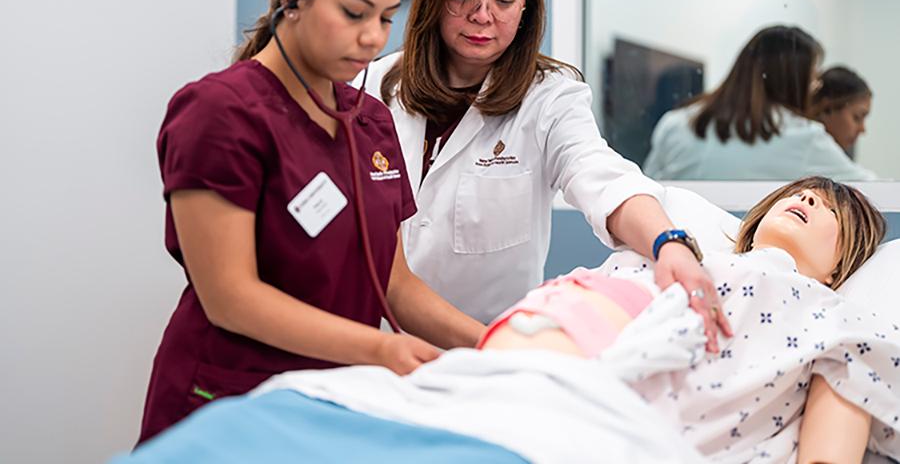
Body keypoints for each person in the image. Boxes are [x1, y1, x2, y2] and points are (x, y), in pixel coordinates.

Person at [114, 178, 899, 464]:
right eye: (802, 189)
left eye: (832, 207)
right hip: (472, 387)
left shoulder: (838, 324)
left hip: (584, 427)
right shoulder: (653, 261)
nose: (811, 197)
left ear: (845, 260)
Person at [137, 0, 482, 444]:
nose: (373, 38)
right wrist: (379, 348)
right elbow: (230, 296)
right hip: (232, 399)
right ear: (290, 1)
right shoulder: (220, 113)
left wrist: (493, 343)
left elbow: (393, 284)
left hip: (335, 399)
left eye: (387, 17)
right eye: (354, 13)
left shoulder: (368, 121)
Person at [359, 0, 729, 350]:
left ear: (525, 9)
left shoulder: (550, 99)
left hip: (491, 352)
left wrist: (669, 243)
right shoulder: (370, 86)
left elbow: (601, 175)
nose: (482, 15)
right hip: (372, 343)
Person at [643, 25, 877, 181]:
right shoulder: (804, 139)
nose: (814, 88)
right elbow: (878, 193)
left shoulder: (675, 124)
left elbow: (644, 192)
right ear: (793, 81)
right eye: (812, 79)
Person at [810, 65, 872, 155]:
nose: (862, 129)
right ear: (826, 109)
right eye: (857, 117)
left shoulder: (845, 149)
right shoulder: (802, 144)